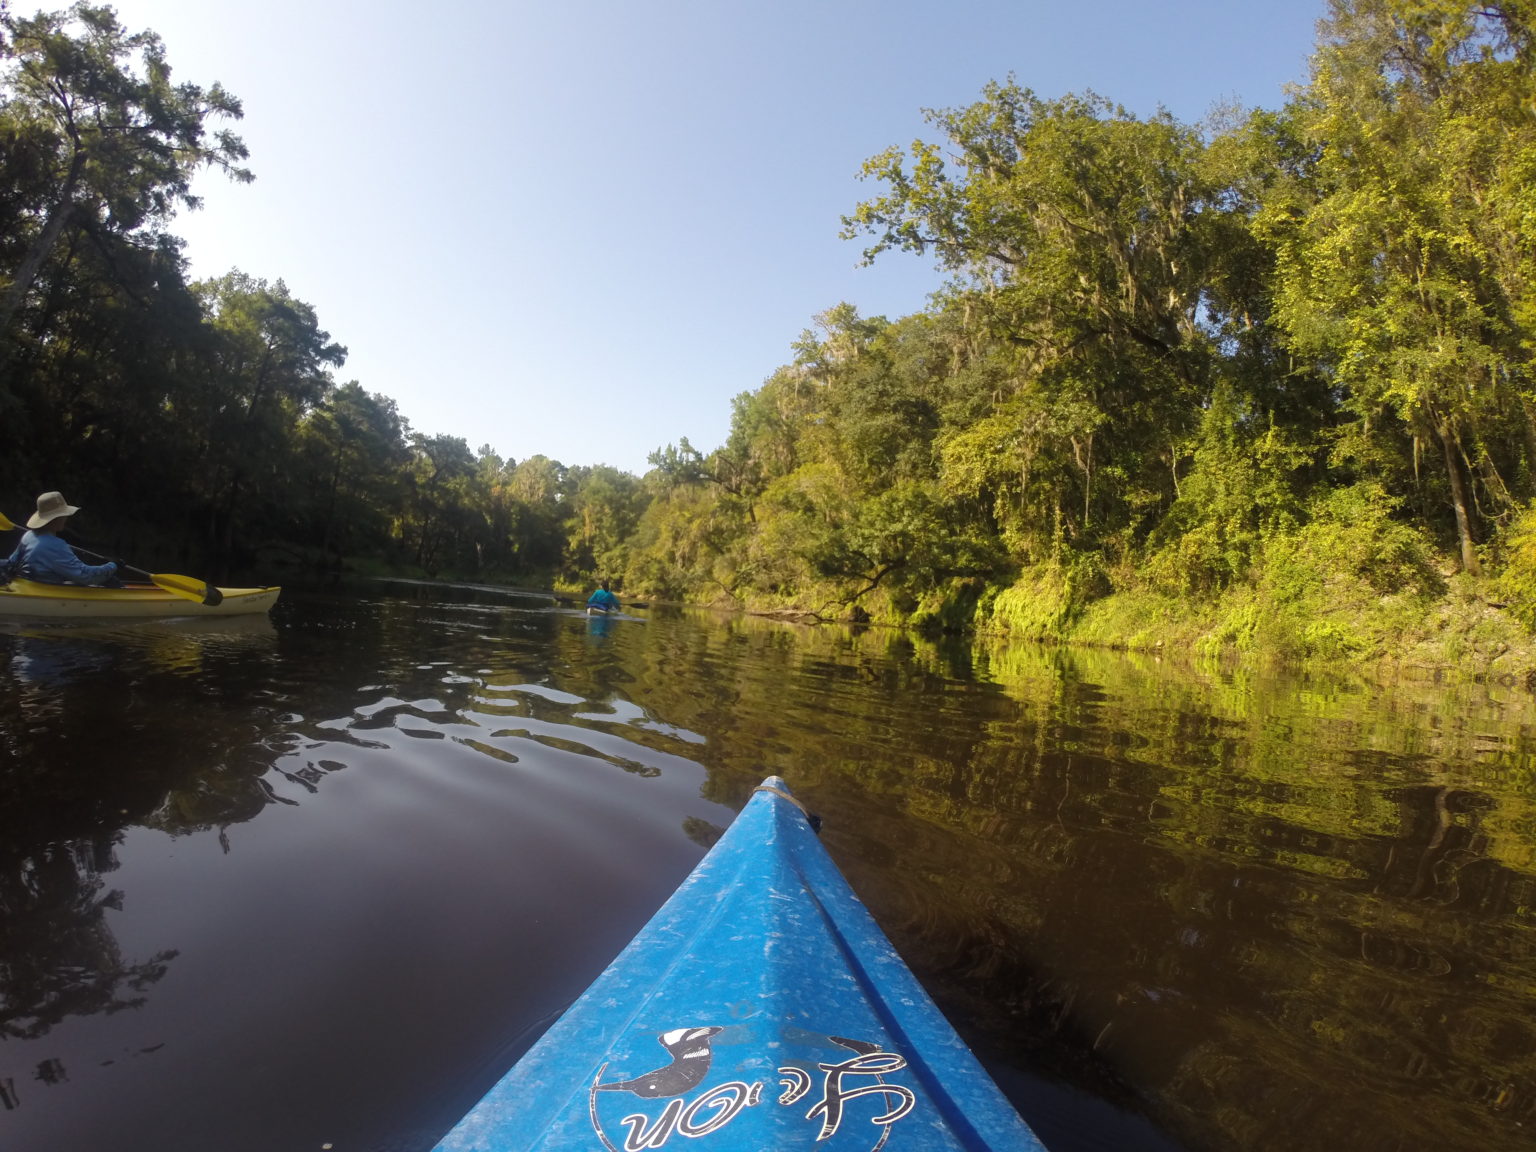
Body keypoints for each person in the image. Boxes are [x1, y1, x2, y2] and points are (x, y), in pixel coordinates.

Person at [1, 491, 119, 586]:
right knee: (112, 582)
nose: (66, 518)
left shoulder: (28, 536)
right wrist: (113, 565)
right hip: (44, 590)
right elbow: (85, 576)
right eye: (63, 515)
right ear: (55, 519)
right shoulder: (56, 545)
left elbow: (11, 564)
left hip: (27, 584)